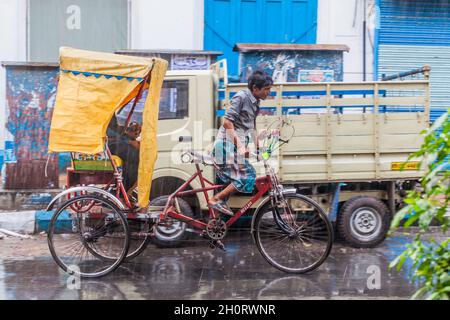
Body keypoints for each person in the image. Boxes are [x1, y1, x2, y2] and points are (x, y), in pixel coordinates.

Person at [209, 71, 273, 216]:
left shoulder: (256, 102)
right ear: (255, 88)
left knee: (228, 189)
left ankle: (215, 227)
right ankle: (215, 199)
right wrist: (240, 146)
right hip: (225, 147)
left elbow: (252, 127)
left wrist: (258, 148)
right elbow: (227, 122)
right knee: (248, 175)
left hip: (233, 148)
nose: (269, 92)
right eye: (266, 89)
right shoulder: (241, 97)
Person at [107, 115, 140, 192]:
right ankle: (125, 191)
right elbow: (110, 131)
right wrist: (128, 140)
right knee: (134, 156)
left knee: (135, 154)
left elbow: (114, 128)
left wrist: (125, 131)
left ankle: (126, 189)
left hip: (114, 141)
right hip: (110, 144)